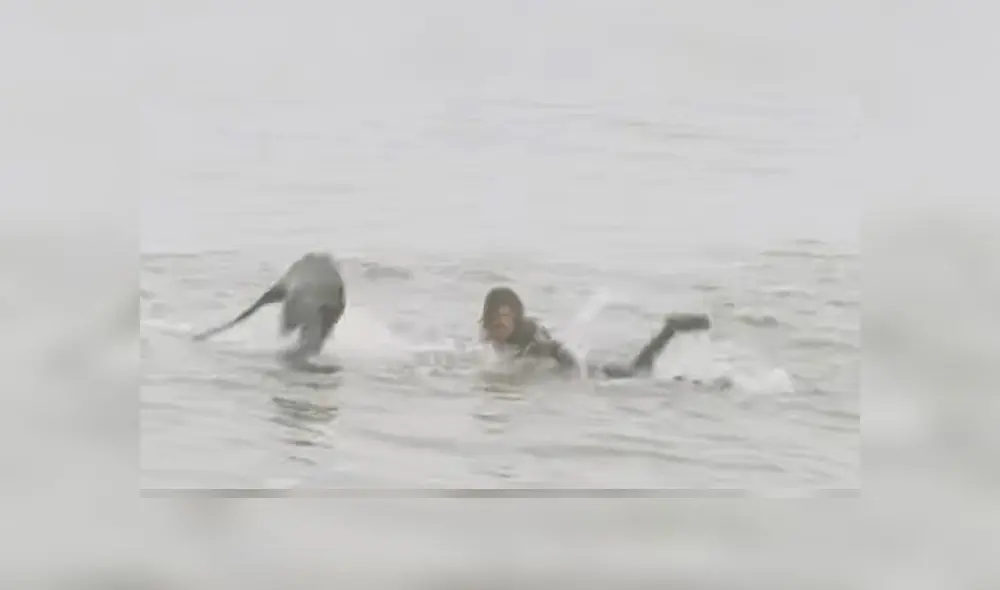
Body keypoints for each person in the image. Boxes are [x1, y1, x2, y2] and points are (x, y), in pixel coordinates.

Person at [479, 286, 711, 379]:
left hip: (597, 373)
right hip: (590, 366)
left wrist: (578, 382)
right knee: (643, 371)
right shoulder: (492, 333)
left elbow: (561, 352)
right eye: (493, 322)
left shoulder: (531, 339)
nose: (497, 328)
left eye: (502, 323)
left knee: (639, 373)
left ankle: (670, 330)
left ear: (515, 320)